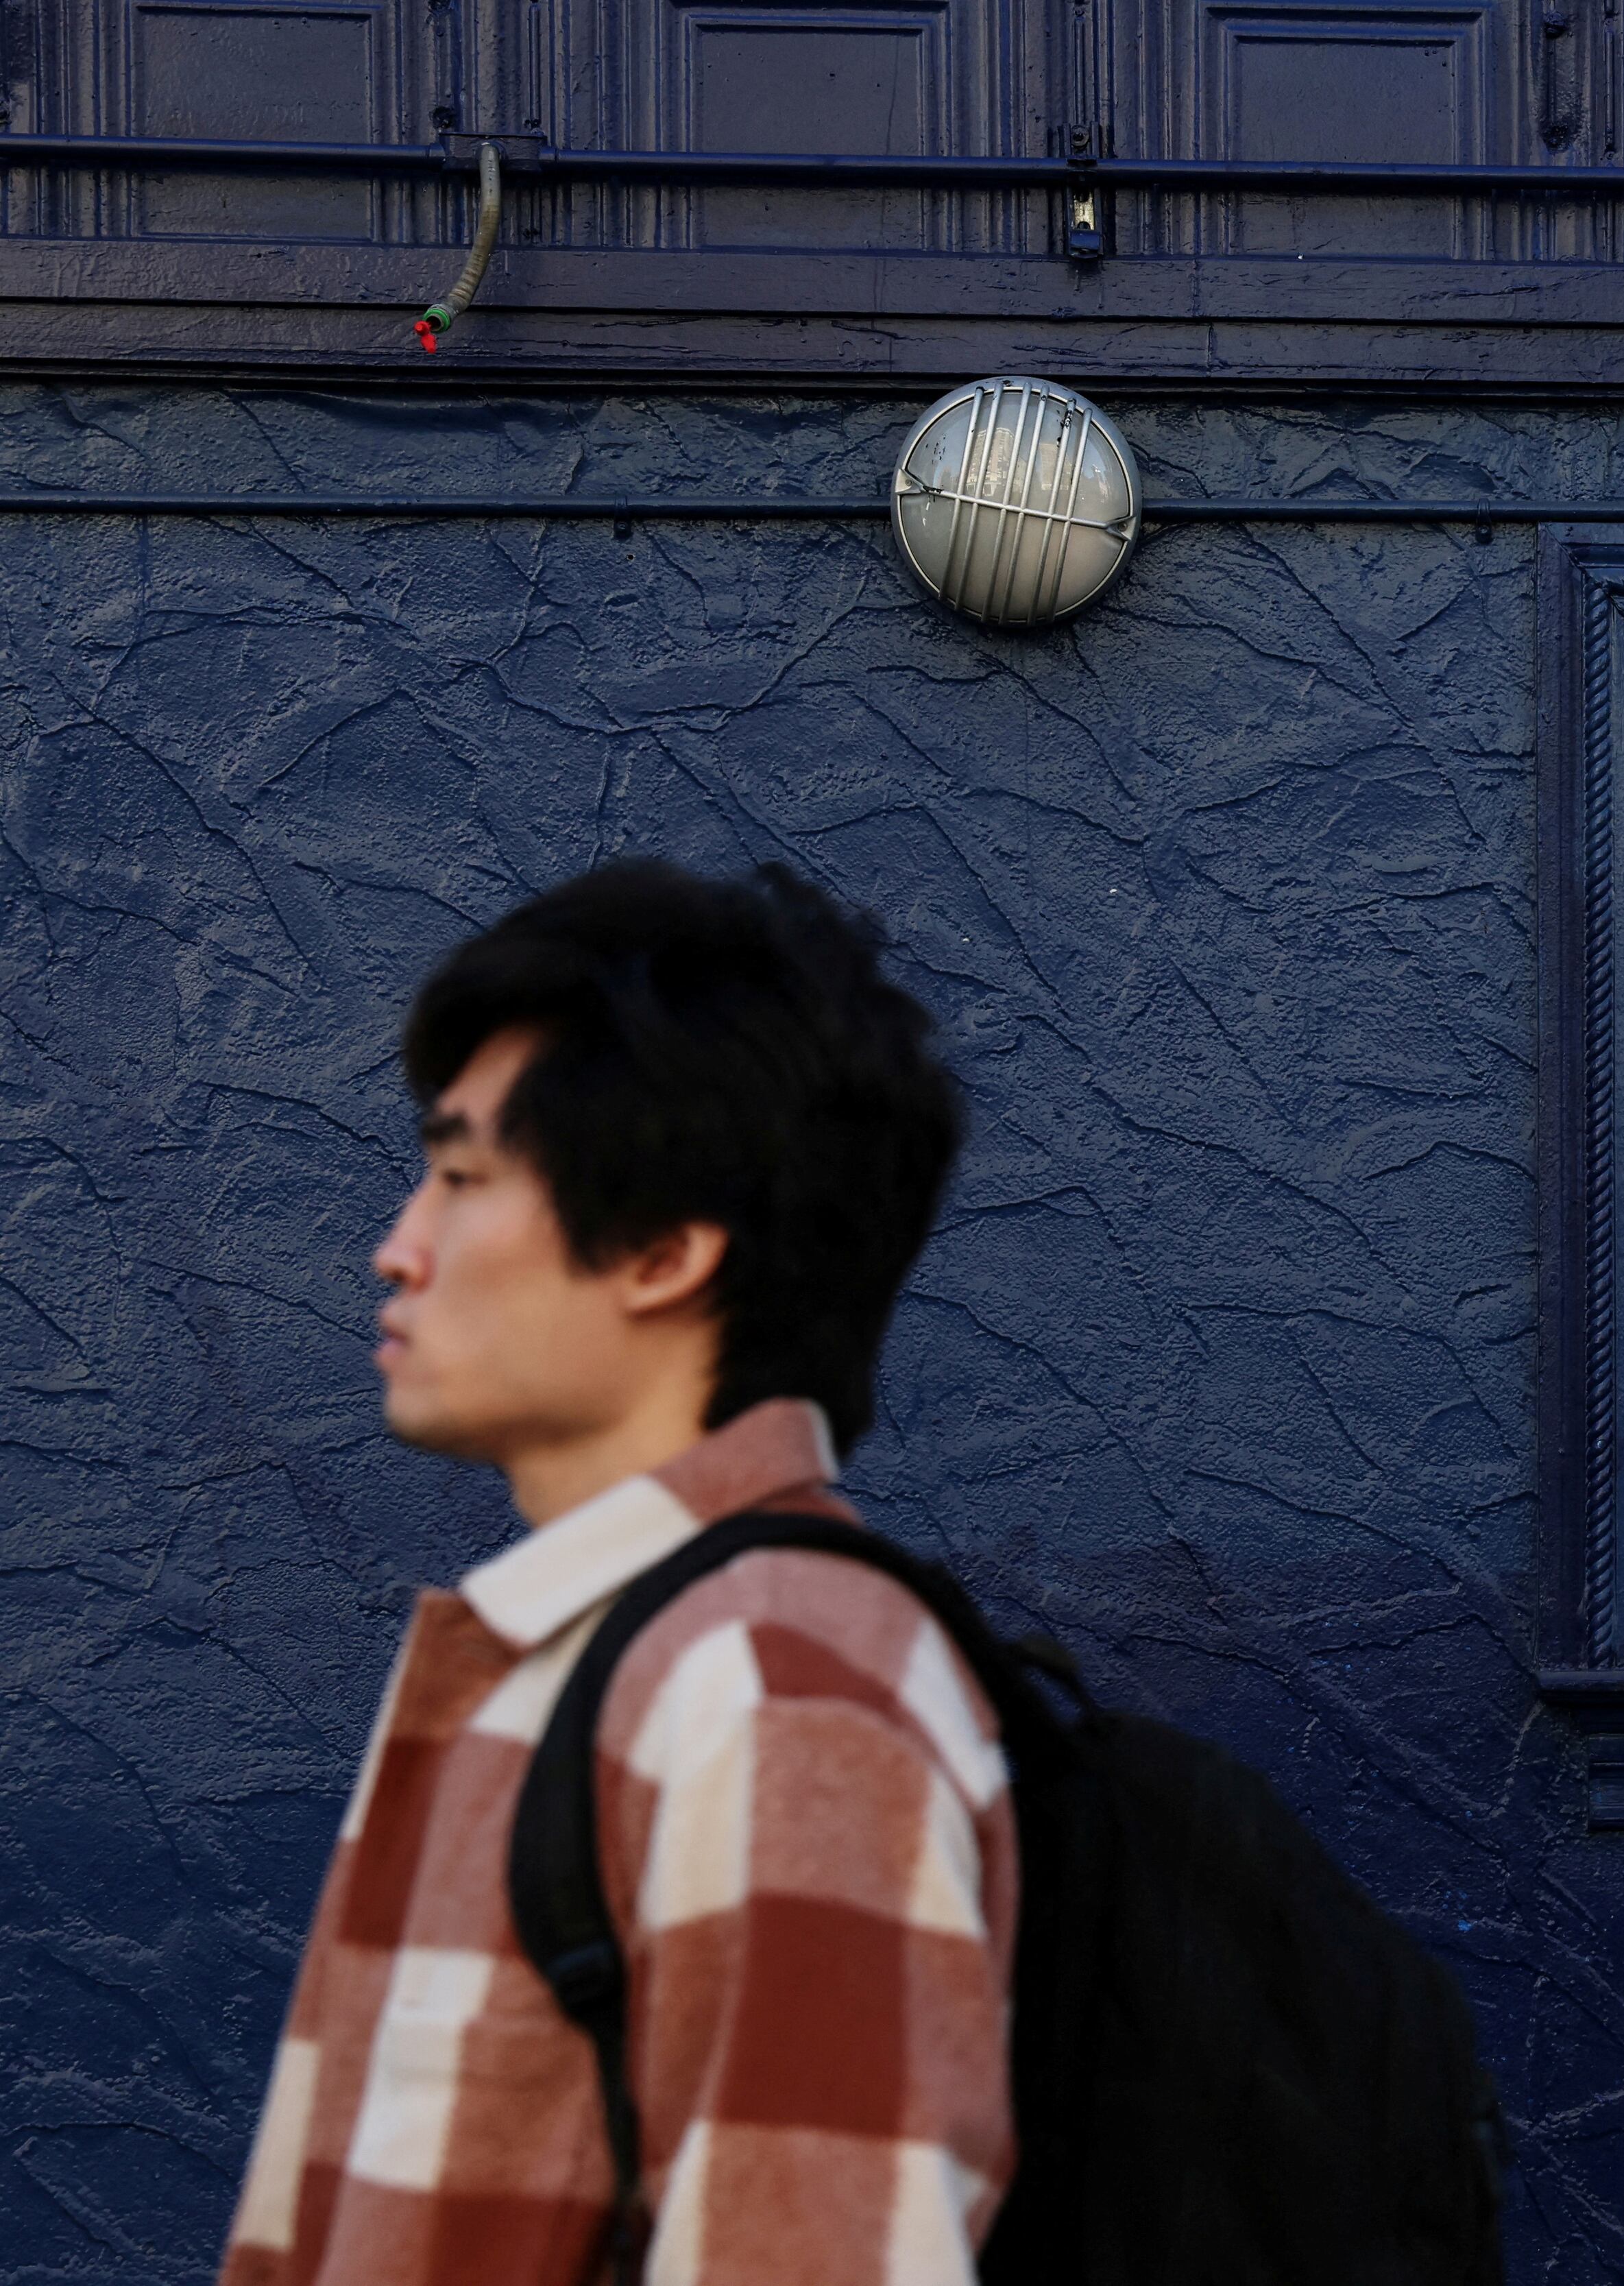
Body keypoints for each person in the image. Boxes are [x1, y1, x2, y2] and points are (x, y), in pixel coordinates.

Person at [218, 860, 999, 2286]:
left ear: (663, 1248)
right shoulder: (609, 1651)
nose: (395, 1247)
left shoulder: (770, 1684)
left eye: (459, 1176)